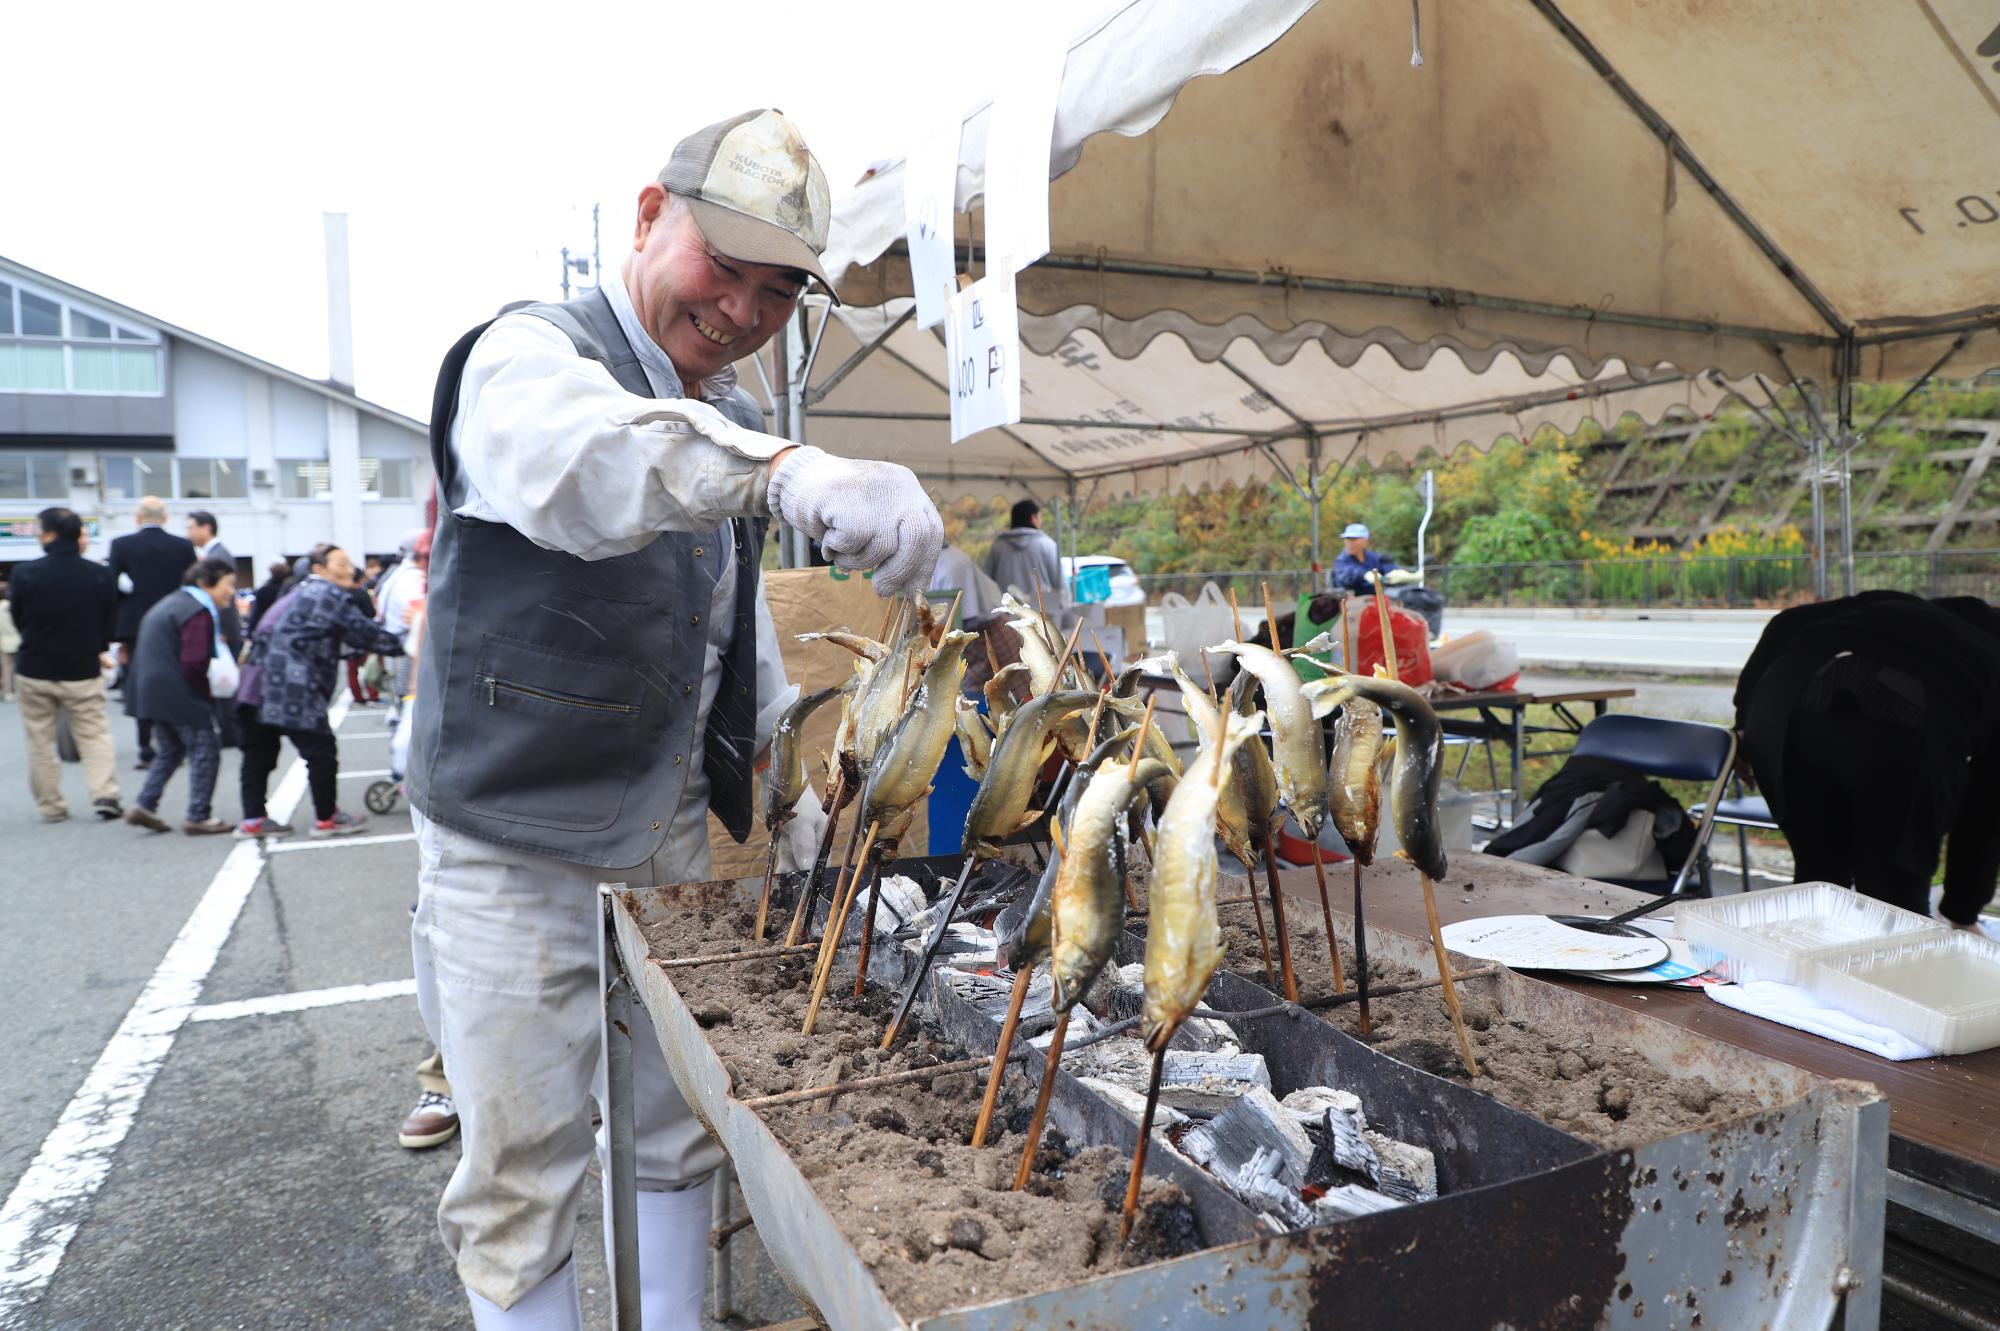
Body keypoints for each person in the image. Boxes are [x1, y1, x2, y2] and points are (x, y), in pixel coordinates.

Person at [408, 110, 941, 1330]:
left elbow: (720, 628)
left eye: (777, 292)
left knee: (671, 1124)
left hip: (663, 843)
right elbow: (584, 463)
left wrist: (788, 789)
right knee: (521, 1158)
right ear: (649, 216)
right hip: (513, 838)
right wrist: (782, 467)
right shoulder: (529, 359)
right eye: (725, 268)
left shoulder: (717, 403)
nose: (744, 311)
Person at [1735, 590, 2000, 926]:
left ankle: (1797, 970)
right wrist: (1962, 911)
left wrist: (1744, 721)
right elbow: (1987, 809)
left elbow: (1785, 621)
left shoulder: (1893, 603)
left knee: (1818, 881)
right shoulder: (1988, 654)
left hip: (1783, 709)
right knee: (1894, 902)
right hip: (1902, 723)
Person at [235, 543, 405, 840]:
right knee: (321, 752)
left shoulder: (296, 593)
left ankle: (253, 820)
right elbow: (363, 633)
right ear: (319, 569)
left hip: (255, 681)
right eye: (340, 563)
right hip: (292, 684)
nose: (349, 569)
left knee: (259, 753)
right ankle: (327, 818)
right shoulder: (326, 593)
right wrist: (409, 640)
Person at [9, 508, 122, 822]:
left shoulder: (24, 573)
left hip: (35, 667)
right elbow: (108, 621)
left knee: (40, 740)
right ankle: (105, 794)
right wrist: (97, 646)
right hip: (81, 667)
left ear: (49, 534)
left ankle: (51, 806)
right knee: (94, 733)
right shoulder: (99, 574)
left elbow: (18, 617)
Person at [123, 556, 238, 835]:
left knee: (171, 750)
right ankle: (199, 815)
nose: (232, 591)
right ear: (204, 583)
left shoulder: (172, 603)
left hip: (150, 690)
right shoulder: (197, 609)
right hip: (178, 690)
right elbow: (195, 662)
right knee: (205, 750)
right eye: (228, 584)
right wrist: (205, 696)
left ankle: (145, 803)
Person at [107, 497, 197, 768]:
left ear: (138, 517)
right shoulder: (182, 546)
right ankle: (180, 742)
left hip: (137, 625)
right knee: (181, 679)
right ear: (165, 517)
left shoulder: (122, 545)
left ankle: (146, 748)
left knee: (141, 682)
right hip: (177, 622)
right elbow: (192, 585)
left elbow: (111, 585)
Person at [982, 498, 1063, 605]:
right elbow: (1061, 585)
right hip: (1041, 614)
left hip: (1007, 613)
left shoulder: (998, 546)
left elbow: (987, 582)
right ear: (1033, 518)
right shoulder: (1047, 545)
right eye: (1039, 517)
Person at [928, 535, 1005, 625]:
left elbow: (965, 618)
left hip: (988, 626)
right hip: (957, 626)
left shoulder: (952, 565)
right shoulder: (928, 561)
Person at [1330, 522, 1417, 594]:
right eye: (1347, 539)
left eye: (1353, 539)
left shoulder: (1373, 557)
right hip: (1353, 603)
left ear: (1365, 541)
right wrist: (1365, 575)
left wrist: (1399, 572)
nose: (1349, 543)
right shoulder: (1341, 561)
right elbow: (1347, 575)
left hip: (1376, 599)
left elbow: (1386, 570)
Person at [247, 560, 292, 632]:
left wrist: (250, 632)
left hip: (267, 628)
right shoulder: (291, 589)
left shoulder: (264, 590)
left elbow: (257, 613)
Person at [0, 578, 19, 702]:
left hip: (3, 641)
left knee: (6, 668)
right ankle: (18, 691)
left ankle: (8, 693)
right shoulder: (13, 606)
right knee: (18, 668)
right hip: (17, 640)